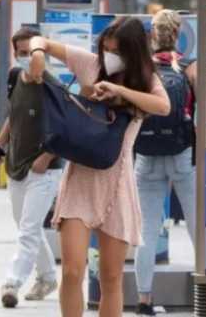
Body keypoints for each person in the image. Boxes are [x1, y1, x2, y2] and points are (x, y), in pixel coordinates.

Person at [26, 18, 170, 317]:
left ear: (132, 52)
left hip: (118, 184)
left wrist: (121, 92)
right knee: (73, 271)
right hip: (81, 178)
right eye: (105, 48)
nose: (108, 55)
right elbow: (40, 42)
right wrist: (38, 54)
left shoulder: (145, 81)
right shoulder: (90, 63)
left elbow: (163, 106)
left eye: (115, 50)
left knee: (111, 277)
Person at [0, 27, 64, 308]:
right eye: (20, 53)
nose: (26, 59)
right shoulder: (13, 77)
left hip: (45, 169)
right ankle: (46, 277)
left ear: (41, 53)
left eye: (30, 53)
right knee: (26, 228)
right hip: (16, 165)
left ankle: (11, 283)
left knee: (29, 229)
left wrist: (46, 156)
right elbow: (14, 116)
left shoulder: (52, 85)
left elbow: (65, 128)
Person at [132, 10, 198, 316]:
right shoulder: (188, 67)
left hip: (146, 156)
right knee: (196, 225)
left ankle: (144, 301)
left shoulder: (142, 70)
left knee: (147, 230)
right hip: (183, 154)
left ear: (152, 35)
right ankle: (205, 294)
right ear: (179, 33)